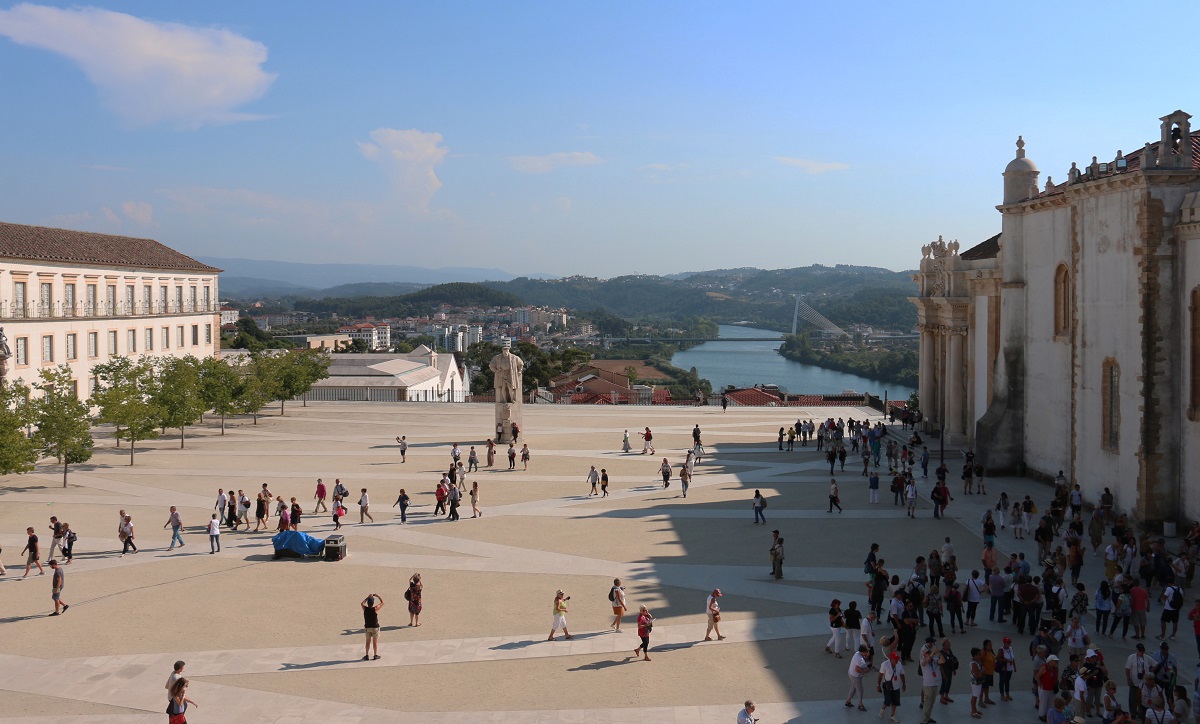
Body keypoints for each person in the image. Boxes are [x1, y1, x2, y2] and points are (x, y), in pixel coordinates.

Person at [877, 650, 906, 722]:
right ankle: (883, 709)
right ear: (891, 659)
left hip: (896, 686)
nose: (897, 660)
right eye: (895, 659)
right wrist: (878, 685)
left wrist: (904, 684)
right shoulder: (884, 664)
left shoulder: (899, 664)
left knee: (895, 701)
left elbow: (902, 675)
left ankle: (892, 715)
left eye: (897, 659)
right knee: (888, 700)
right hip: (887, 685)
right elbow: (880, 675)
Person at [918, 637, 941, 724]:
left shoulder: (929, 652)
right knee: (927, 702)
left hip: (934, 683)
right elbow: (924, 662)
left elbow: (941, 660)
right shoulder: (924, 650)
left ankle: (928, 718)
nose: (933, 644)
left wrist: (937, 653)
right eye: (932, 643)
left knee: (931, 702)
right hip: (927, 683)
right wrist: (932, 654)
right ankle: (924, 721)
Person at [846, 644, 874, 711]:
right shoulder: (859, 659)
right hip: (856, 676)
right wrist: (865, 671)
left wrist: (867, 656)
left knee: (854, 687)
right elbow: (857, 669)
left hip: (851, 673)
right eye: (866, 651)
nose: (867, 652)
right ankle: (860, 704)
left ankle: (848, 701)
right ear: (863, 651)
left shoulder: (858, 653)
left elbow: (864, 661)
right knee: (860, 690)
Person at [361, 594, 383, 661]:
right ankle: (375, 655)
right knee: (375, 642)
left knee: (367, 642)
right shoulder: (375, 609)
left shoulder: (365, 609)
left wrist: (367, 597)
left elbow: (362, 603)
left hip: (367, 627)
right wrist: (378, 596)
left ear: (368, 603)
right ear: (373, 603)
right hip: (375, 627)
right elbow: (382, 602)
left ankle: (367, 655)